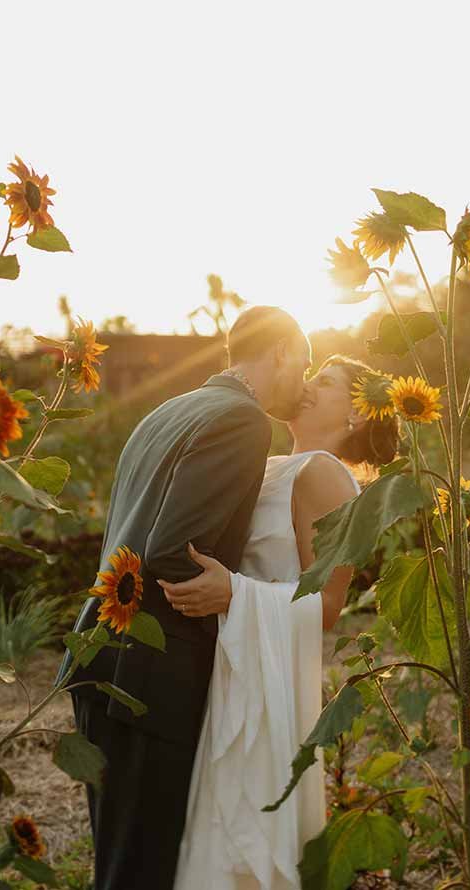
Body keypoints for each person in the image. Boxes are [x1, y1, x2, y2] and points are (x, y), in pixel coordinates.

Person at [57, 306, 312, 890]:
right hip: (151, 680)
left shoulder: (166, 412)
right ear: (279, 351)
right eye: (304, 361)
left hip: (100, 658)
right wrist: (237, 596)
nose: (303, 378)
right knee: (141, 871)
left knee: (119, 864)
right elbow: (171, 554)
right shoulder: (245, 422)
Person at [167, 355, 400, 890]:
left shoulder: (326, 476)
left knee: (241, 829)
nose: (308, 385)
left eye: (325, 382)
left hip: (262, 672)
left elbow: (326, 606)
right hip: (226, 654)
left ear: (358, 416)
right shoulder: (270, 461)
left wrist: (235, 593)